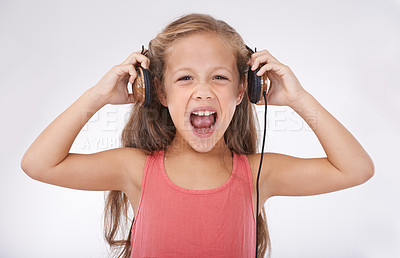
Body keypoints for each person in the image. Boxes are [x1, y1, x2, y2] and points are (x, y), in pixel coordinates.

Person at [20, 13, 374, 258]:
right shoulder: (135, 169)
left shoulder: (257, 174)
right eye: (185, 78)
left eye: (219, 77)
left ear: (242, 91)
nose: (203, 92)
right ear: (158, 92)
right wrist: (98, 95)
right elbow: (38, 164)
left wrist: (299, 99)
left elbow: (356, 170)